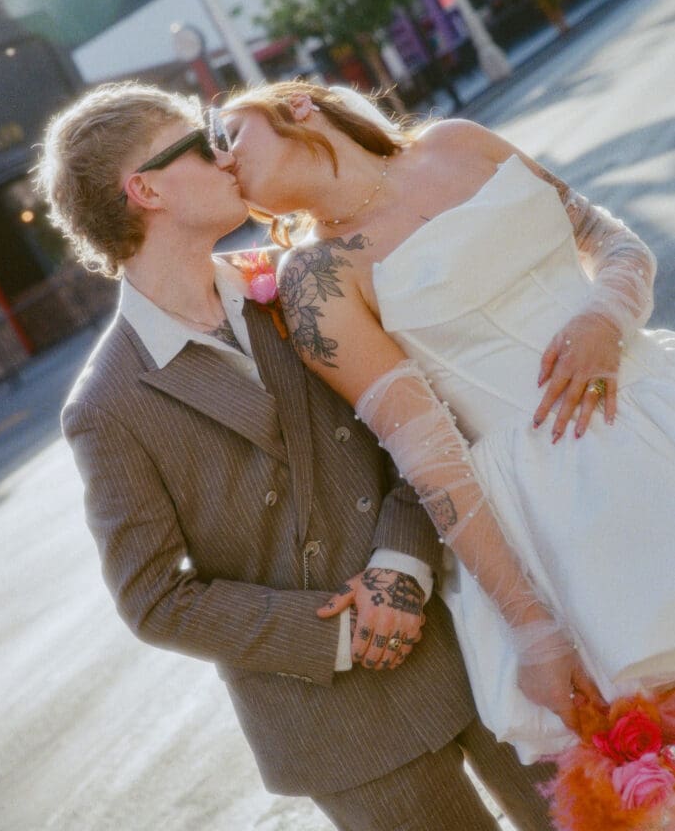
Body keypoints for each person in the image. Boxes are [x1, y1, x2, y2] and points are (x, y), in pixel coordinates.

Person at [36, 80, 562, 831]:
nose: (224, 155)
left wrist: (400, 567)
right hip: (336, 725)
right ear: (144, 189)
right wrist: (337, 631)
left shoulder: (294, 280)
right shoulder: (106, 405)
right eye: (198, 141)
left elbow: (423, 419)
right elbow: (152, 596)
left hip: (468, 634)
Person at [216, 78, 675, 764]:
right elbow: (429, 457)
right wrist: (532, 629)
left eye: (230, 135)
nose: (222, 160)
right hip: (561, 507)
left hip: (655, 402)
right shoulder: (314, 281)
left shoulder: (458, 143)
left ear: (299, 104)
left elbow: (614, 245)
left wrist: (603, 317)